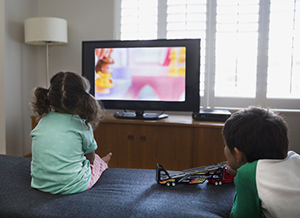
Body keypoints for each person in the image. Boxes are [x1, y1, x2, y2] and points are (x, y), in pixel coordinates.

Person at [30, 71, 112, 195]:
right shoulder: (82, 124)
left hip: (40, 184)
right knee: (97, 161)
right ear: (81, 99)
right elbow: (91, 158)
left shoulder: (43, 120)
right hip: (73, 185)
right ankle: (103, 164)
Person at [223, 106, 300, 218]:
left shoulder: (247, 174)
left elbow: (242, 215)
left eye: (226, 146)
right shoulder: (294, 156)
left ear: (238, 154)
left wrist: (242, 177)